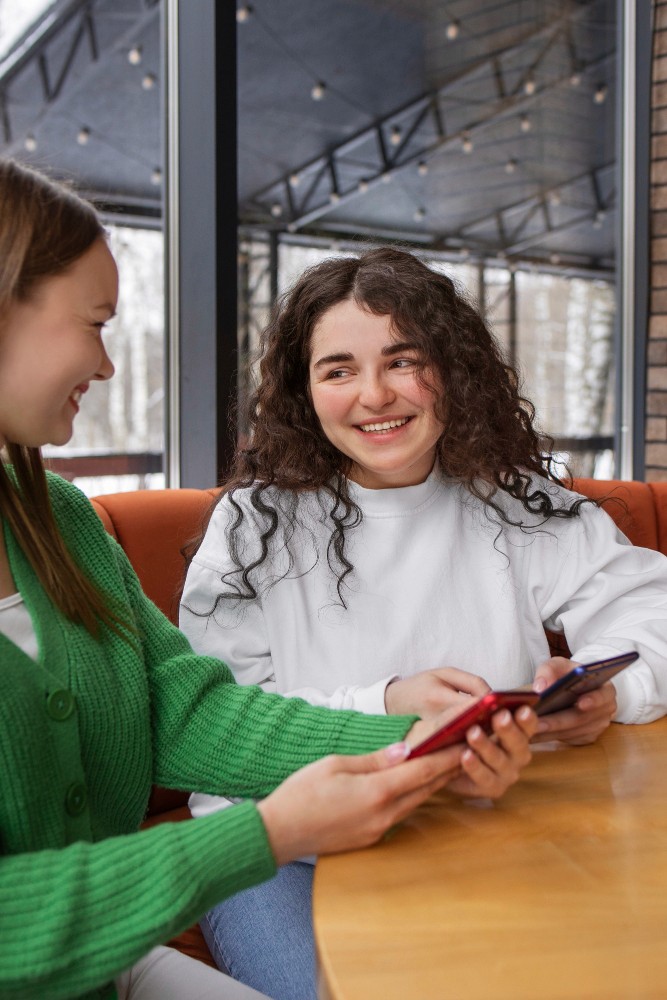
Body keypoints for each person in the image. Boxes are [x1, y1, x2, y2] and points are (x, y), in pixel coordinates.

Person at [0, 160, 537, 1000]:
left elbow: (182, 711)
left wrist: (418, 748)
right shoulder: (254, 522)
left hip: (107, 964)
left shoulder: (58, 518)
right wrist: (269, 834)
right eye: (96, 322)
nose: (107, 365)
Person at [179, 246, 667, 1000]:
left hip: (475, 816)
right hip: (281, 848)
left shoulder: (511, 500)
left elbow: (648, 606)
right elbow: (216, 725)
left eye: (402, 361)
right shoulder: (253, 525)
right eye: (337, 369)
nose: (374, 395)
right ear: (304, 392)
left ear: (451, 370)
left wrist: (606, 690)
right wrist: (386, 709)